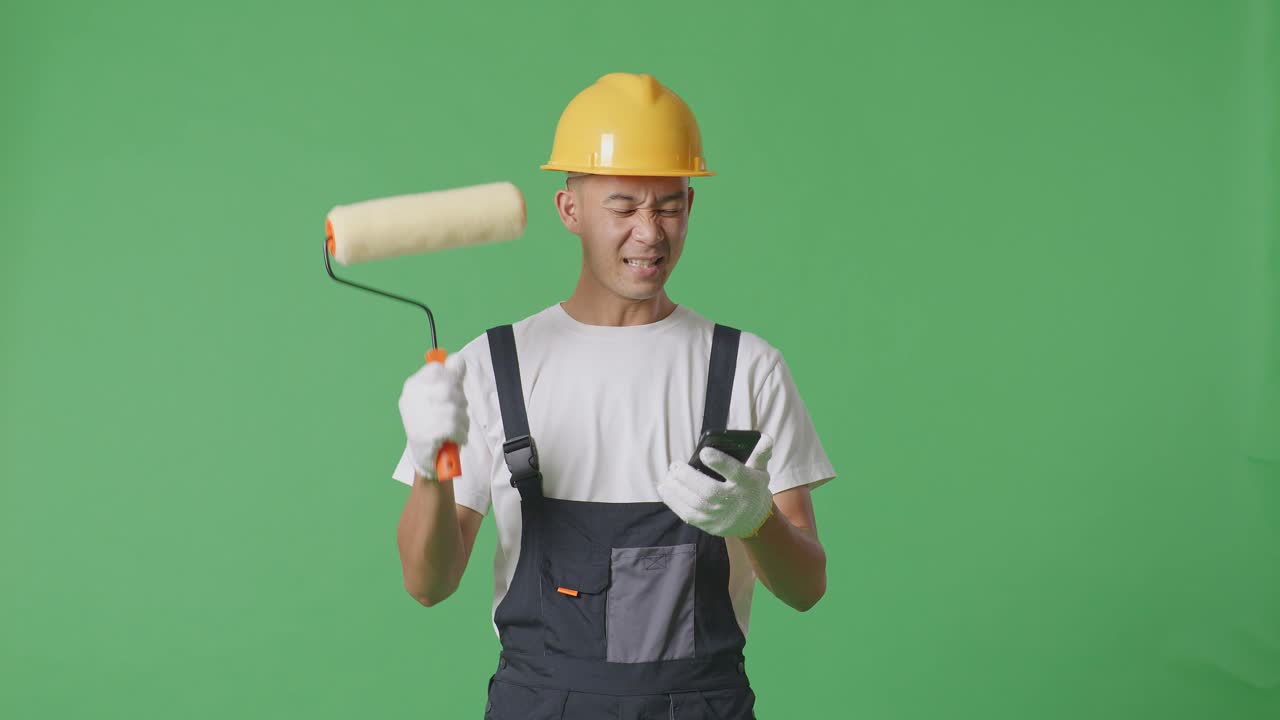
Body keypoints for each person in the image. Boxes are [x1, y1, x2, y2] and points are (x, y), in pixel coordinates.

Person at [391, 72, 836, 720]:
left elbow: (807, 589)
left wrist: (757, 522)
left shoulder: (746, 369)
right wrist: (432, 463)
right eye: (624, 207)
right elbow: (427, 584)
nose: (650, 234)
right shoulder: (491, 368)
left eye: (670, 206)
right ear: (569, 210)